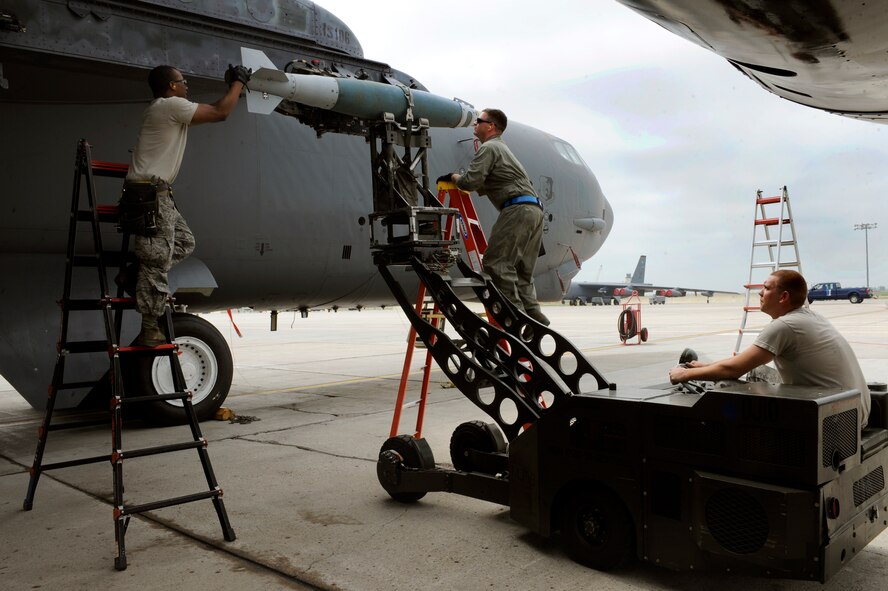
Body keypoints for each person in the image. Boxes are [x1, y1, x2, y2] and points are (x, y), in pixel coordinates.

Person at [125, 64, 250, 346]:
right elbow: (221, 113)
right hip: (148, 195)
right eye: (183, 81)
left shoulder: (169, 111)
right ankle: (149, 327)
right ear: (171, 87)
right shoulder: (169, 107)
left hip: (157, 193)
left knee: (183, 241)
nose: (186, 85)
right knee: (157, 258)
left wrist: (231, 89)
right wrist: (238, 84)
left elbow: (214, 109)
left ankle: (137, 274)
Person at [668, 270, 871, 427]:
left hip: (835, 421)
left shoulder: (784, 326)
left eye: (766, 288)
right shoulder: (809, 317)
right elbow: (744, 361)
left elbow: (733, 370)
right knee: (756, 371)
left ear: (783, 297)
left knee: (724, 384)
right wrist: (704, 367)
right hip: (852, 411)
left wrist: (683, 376)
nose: (760, 292)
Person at [438, 109, 549, 326]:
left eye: (478, 121)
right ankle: (535, 315)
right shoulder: (504, 149)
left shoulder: (489, 148)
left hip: (516, 210)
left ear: (491, 126)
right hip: (534, 211)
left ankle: (518, 321)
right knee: (522, 271)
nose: (474, 125)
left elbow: (470, 182)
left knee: (495, 263)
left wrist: (453, 177)